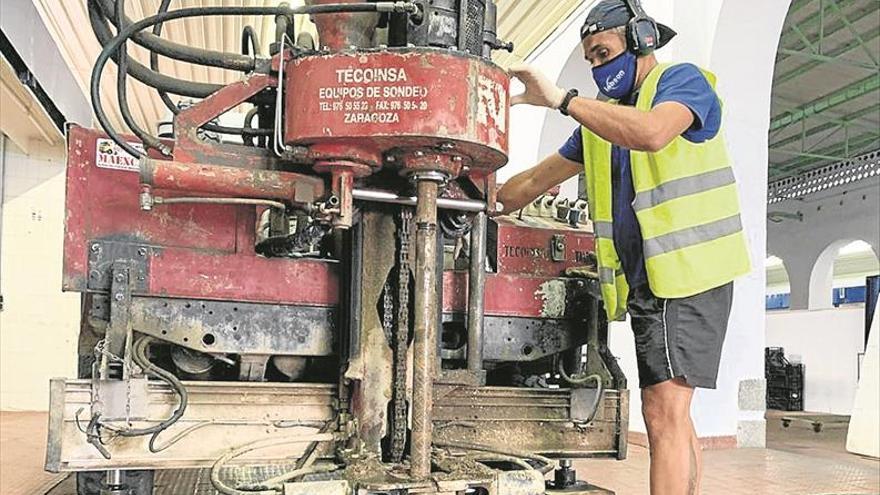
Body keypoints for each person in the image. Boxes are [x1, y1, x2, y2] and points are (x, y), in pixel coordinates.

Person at [498, 1, 751, 493]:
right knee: (674, 414)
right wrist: (475, 194)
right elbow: (533, 180)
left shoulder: (681, 82)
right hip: (651, 282)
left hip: (688, 273)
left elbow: (654, 134)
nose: (598, 67)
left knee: (661, 412)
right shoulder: (602, 122)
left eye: (603, 52)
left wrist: (562, 99)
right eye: (590, 59)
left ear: (642, 39)